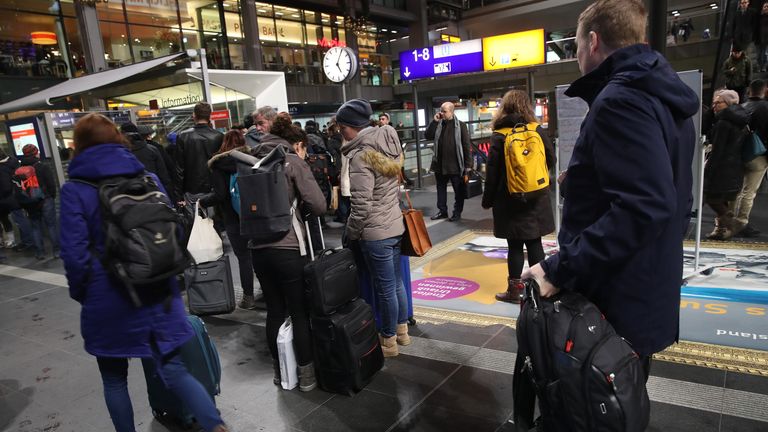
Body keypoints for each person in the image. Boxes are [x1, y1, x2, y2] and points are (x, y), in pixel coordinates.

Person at [522, 0, 698, 383]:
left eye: (577, 45)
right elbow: (672, 196)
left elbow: (646, 206)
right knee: (625, 401)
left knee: (599, 406)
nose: (577, 54)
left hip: (616, 293)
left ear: (594, 41)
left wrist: (558, 268)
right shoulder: (664, 98)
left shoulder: (620, 101)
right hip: (647, 282)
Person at [60, 113, 229, 432]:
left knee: (114, 380)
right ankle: (214, 425)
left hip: (108, 296)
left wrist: (84, 293)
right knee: (175, 370)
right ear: (117, 140)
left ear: (79, 146)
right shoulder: (146, 178)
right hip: (157, 292)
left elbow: (73, 254)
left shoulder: (76, 189)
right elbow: (172, 231)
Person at [247, 115, 326, 392]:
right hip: (289, 246)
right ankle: (305, 375)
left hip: (257, 248)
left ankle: (280, 373)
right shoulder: (292, 161)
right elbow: (318, 205)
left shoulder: (247, 162)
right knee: (299, 312)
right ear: (294, 142)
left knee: (274, 311)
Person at [337, 99, 409, 357]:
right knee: (396, 283)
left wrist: (351, 232)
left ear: (349, 127)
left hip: (376, 232)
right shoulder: (388, 141)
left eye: (341, 127)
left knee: (385, 288)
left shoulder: (360, 157)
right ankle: (402, 331)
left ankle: (388, 340)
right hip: (395, 225)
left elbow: (361, 205)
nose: (340, 132)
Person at [482, 90, 556, 304]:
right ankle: (540, 290)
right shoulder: (537, 129)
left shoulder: (500, 135)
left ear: (504, 108)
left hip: (510, 199)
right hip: (537, 198)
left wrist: (488, 200)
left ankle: (515, 292)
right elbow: (550, 159)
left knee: (514, 246)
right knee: (535, 242)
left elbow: (493, 174)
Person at [200, 130, 261, 310]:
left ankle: (248, 298)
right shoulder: (251, 160)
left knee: (243, 258)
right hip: (254, 215)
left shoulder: (218, 165)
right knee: (259, 254)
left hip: (232, 217)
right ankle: (268, 291)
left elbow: (220, 194)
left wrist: (202, 201)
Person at [704, 90, 748, 240]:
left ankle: (731, 222)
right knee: (720, 198)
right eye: (714, 102)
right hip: (735, 166)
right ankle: (720, 230)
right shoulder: (740, 119)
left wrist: (709, 170)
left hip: (722, 166)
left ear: (728, 103)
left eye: (718, 102)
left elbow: (718, 150)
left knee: (710, 197)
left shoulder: (723, 122)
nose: (714, 106)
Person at [425, 101, 472, 221]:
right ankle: (442, 211)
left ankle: (457, 212)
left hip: (455, 165)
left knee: (458, 191)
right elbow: (428, 136)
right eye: (440, 110)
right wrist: (434, 121)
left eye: (444, 111)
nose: (441, 113)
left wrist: (468, 166)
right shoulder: (439, 124)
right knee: (441, 189)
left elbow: (466, 146)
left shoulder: (460, 126)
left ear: (451, 112)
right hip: (439, 165)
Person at [735, 80, 768, 237]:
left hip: (740, 153)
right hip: (759, 155)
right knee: (749, 191)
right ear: (764, 91)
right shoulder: (766, 108)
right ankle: (741, 222)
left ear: (749, 91)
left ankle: (730, 220)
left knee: (737, 189)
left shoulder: (742, 107)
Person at [19, 144, 58, 260]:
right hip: (45, 199)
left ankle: (40, 253)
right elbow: (51, 184)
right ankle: (56, 251)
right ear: (35, 153)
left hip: (30, 202)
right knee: (51, 226)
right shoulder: (42, 166)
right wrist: (51, 196)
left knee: (35, 227)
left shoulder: (21, 168)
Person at [175, 102, 223, 197]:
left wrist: (178, 194)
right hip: (214, 188)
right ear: (209, 116)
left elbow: (179, 169)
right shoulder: (219, 136)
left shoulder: (183, 136)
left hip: (191, 190)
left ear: (194, 115)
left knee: (194, 211)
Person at [120, 123, 172, 194]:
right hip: (154, 192)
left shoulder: (121, 153)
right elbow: (164, 175)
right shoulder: (153, 149)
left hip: (131, 195)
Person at [138, 124, 178, 200]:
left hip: (140, 189)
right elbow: (166, 169)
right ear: (149, 135)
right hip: (157, 186)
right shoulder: (156, 148)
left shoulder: (129, 150)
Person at [0, 148, 19, 251]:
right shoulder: (13, 163)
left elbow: (5, 186)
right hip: (15, 195)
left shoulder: (2, 167)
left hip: (4, 197)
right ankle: (14, 240)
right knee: (18, 219)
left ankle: (7, 240)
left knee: (4, 218)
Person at [758, 2, 768, 72]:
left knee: (765, 53)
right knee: (761, 53)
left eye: (767, 6)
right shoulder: (760, 16)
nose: (766, 8)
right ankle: (761, 66)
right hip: (761, 38)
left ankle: (764, 66)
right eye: (765, 7)